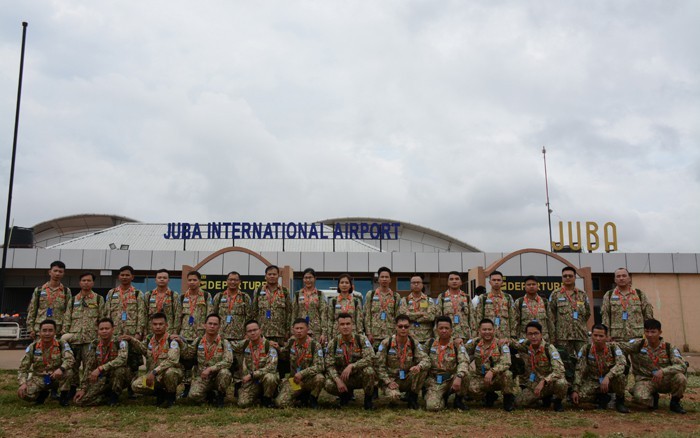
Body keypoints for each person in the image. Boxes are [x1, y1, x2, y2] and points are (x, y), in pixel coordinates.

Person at [620, 319, 688, 414]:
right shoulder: (638, 344)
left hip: (665, 380)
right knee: (639, 398)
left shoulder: (669, 347)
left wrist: (663, 371)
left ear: (660, 332)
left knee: (681, 378)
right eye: (647, 331)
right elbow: (619, 347)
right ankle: (652, 398)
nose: (650, 335)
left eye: (653, 332)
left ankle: (675, 403)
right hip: (646, 380)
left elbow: (682, 366)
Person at [104, 265, 147, 397]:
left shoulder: (138, 294)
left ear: (132, 277)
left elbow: (141, 314)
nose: (124, 277)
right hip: (115, 334)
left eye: (127, 275)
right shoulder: (112, 293)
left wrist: (138, 333)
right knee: (116, 360)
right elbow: (106, 313)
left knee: (134, 362)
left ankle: (132, 389)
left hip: (131, 333)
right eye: (122, 275)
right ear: (118, 276)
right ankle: (113, 386)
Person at [125, 312, 183, 408]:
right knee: (135, 385)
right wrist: (131, 339)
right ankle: (160, 393)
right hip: (154, 377)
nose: (158, 327)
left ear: (166, 325)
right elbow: (142, 349)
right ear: (151, 325)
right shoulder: (149, 340)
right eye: (155, 324)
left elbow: (172, 360)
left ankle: (170, 398)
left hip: (167, 374)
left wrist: (154, 372)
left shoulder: (171, 341)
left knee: (170, 373)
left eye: (161, 324)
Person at [62, 272, 105, 397]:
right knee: (73, 365)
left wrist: (100, 337)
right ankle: (72, 388)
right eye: (84, 280)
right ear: (80, 283)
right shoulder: (73, 300)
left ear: (93, 283)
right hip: (74, 339)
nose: (86, 283)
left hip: (90, 340)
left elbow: (102, 318)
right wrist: (65, 336)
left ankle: (86, 388)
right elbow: (67, 318)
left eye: (89, 280)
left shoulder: (98, 299)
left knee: (89, 366)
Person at [177, 314, 233, 407]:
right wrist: (180, 342)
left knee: (225, 373)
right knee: (193, 396)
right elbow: (188, 354)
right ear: (204, 325)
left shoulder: (224, 342)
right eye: (210, 323)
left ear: (219, 326)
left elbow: (228, 361)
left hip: (217, 377)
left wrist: (210, 369)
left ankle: (220, 396)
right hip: (202, 377)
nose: (212, 326)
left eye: (215, 324)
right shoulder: (198, 341)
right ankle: (209, 396)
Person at [571, 324, 629, 413]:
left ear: (606, 337)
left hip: (611, 381)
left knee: (620, 377)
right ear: (591, 336)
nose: (598, 338)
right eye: (595, 335)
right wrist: (575, 389)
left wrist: (608, 377)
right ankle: (602, 398)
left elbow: (621, 364)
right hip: (594, 380)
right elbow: (579, 369)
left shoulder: (613, 348)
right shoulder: (586, 349)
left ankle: (620, 401)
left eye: (601, 336)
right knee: (579, 397)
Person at [510, 321, 567, 411]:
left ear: (541, 334)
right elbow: (514, 344)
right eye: (530, 334)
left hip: (550, 383)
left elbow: (559, 370)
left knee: (562, 383)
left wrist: (544, 381)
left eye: (536, 333)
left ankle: (557, 401)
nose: (533, 337)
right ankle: (545, 398)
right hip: (536, 384)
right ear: (527, 336)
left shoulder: (549, 348)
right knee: (518, 402)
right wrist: (505, 340)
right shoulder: (527, 345)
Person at [324, 312, 377, 410]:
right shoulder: (334, 343)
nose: (345, 327)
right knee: (328, 384)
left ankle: (368, 400)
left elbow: (371, 358)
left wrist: (352, 366)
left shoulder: (361, 339)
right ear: (338, 327)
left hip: (358, 376)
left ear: (352, 325)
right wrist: (337, 380)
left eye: (348, 324)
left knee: (369, 371)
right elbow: (329, 365)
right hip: (343, 378)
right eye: (342, 324)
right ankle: (344, 395)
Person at [375, 315, 429, 409]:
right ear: (395, 327)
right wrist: (388, 382)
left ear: (409, 327)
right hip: (392, 379)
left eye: (406, 326)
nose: (403, 329)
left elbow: (426, 359)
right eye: (400, 326)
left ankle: (413, 398)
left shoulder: (413, 343)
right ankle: (394, 396)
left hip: (407, 378)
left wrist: (419, 366)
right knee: (394, 397)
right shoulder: (386, 343)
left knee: (422, 370)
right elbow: (378, 365)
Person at [73, 317, 130, 407]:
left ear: (112, 330)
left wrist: (101, 368)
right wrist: (83, 388)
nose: (104, 331)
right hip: (102, 378)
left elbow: (122, 359)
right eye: (101, 329)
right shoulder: (94, 344)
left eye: (107, 329)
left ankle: (114, 397)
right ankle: (105, 397)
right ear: (98, 331)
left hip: (117, 376)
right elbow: (89, 366)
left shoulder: (120, 342)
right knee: (80, 402)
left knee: (120, 370)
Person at [17, 319, 75, 406]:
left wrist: (61, 369)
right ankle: (42, 394)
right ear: (39, 332)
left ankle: (64, 397)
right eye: (44, 331)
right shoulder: (33, 347)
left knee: (68, 372)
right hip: (40, 378)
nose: (47, 333)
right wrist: (23, 383)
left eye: (50, 330)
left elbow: (70, 359)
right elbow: (23, 368)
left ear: (55, 332)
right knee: (23, 393)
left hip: (57, 376)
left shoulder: (61, 344)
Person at [548, 266, 590, 384]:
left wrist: (579, 325)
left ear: (575, 277)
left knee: (584, 361)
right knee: (565, 362)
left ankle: (582, 386)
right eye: (565, 276)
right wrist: (553, 336)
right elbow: (551, 317)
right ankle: (568, 387)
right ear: (562, 278)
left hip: (580, 335)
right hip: (563, 336)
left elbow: (587, 313)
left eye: (570, 276)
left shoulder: (582, 295)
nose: (567, 278)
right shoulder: (555, 295)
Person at [464, 318, 515, 411]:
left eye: (489, 329)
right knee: (469, 387)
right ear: (479, 330)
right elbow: (462, 350)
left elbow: (506, 362)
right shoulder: (475, 343)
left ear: (494, 330)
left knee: (507, 374)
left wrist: (492, 371)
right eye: (484, 330)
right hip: (481, 377)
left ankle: (508, 399)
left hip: (497, 377)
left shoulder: (501, 344)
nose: (487, 332)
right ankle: (489, 396)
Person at [177, 270, 213, 398]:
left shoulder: (207, 296)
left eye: (195, 280)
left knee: (201, 363)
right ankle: (186, 388)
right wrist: (176, 334)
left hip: (200, 336)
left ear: (200, 282)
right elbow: (178, 318)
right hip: (185, 335)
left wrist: (208, 333)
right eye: (190, 280)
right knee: (186, 364)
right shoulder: (182, 298)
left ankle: (203, 388)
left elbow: (210, 316)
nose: (192, 282)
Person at [275, 318, 325, 409]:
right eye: (296, 328)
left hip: (309, 379)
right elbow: (284, 355)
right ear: (293, 330)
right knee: (281, 403)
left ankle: (312, 398)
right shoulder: (291, 342)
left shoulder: (315, 345)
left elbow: (320, 366)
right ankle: (300, 398)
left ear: (307, 329)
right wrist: (278, 348)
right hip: (295, 380)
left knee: (320, 378)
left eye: (301, 328)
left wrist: (302, 373)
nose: (299, 331)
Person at [252, 265, 291, 377]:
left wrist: (288, 331)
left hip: (280, 333)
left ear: (278, 276)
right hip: (263, 333)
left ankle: (280, 384)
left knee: (281, 362)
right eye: (269, 274)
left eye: (274, 274)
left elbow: (289, 312)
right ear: (265, 276)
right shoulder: (258, 291)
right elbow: (254, 312)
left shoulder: (284, 291)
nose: (272, 276)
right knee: (263, 360)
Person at [423, 316, 470, 411]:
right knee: (432, 407)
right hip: (435, 380)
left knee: (465, 375)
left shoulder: (457, 344)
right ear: (436, 330)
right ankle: (442, 396)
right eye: (441, 328)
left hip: (451, 379)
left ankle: (458, 400)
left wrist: (459, 376)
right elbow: (421, 358)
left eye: (446, 328)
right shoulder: (430, 343)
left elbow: (464, 361)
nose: (444, 331)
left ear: (451, 330)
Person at [232, 319, 280, 408]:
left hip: (263, 377)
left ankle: (267, 399)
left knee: (270, 377)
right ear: (246, 334)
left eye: (255, 330)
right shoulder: (245, 344)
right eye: (249, 331)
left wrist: (251, 375)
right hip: (252, 381)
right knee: (243, 403)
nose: (253, 333)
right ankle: (257, 394)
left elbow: (271, 367)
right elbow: (230, 346)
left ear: (260, 330)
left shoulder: (268, 345)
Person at [601, 268, 654, 342]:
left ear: (629, 278)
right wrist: (607, 335)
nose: (621, 278)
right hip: (617, 338)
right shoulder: (609, 295)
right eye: (618, 276)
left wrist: (649, 334)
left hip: (638, 337)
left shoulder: (639, 294)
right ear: (615, 279)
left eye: (624, 276)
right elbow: (605, 317)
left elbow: (648, 316)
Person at [26, 261, 72, 339]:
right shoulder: (39, 290)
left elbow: (69, 312)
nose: (57, 274)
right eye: (55, 271)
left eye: (60, 271)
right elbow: (32, 310)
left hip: (58, 331)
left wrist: (65, 330)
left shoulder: (66, 291)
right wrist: (30, 329)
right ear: (50, 272)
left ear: (63, 274)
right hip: (40, 329)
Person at [364, 267, 401, 351]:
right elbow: (367, 315)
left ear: (390, 279)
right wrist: (368, 333)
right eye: (382, 277)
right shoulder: (371, 294)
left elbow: (398, 317)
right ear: (378, 279)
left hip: (390, 335)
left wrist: (396, 334)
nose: (384, 279)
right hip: (374, 336)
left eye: (386, 277)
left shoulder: (396, 296)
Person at [291, 268, 328, 346]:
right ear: (303, 279)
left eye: (310, 277)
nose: (308, 280)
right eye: (306, 278)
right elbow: (294, 313)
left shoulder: (320, 294)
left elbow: (323, 314)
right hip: (300, 330)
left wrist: (323, 333)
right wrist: (292, 332)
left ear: (315, 279)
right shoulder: (298, 294)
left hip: (316, 331)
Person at [434, 271, 473, 346]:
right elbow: (437, 318)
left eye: (457, 279)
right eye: (451, 279)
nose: (454, 281)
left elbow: (472, 318)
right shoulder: (442, 297)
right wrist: (438, 337)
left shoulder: (466, 297)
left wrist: (473, 337)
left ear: (461, 282)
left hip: (464, 336)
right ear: (448, 282)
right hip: (447, 336)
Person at [474, 271, 514, 341]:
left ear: (502, 282)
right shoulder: (483, 298)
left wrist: (513, 335)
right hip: (487, 335)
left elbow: (512, 318)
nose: (496, 282)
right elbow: (478, 318)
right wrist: (478, 335)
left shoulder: (508, 297)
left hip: (504, 336)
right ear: (490, 282)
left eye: (498, 280)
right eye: (494, 280)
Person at [512, 276, 554, 342]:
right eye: (529, 284)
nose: (531, 286)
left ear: (537, 286)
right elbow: (515, 322)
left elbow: (550, 321)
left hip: (543, 339)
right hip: (525, 339)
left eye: (533, 284)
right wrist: (514, 339)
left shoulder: (545, 302)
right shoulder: (519, 302)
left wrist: (552, 339)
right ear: (525, 286)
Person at [398, 274, 436, 345]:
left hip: (426, 338)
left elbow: (431, 316)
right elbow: (403, 317)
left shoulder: (428, 300)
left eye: (418, 282)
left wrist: (412, 317)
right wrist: (421, 314)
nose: (416, 284)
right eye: (413, 283)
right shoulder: (404, 300)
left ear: (422, 285)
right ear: (410, 285)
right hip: (409, 337)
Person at [326, 274, 364, 339]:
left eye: (347, 283)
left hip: (352, 334)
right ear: (338, 285)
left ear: (350, 286)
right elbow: (330, 321)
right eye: (342, 282)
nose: (344, 285)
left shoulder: (356, 301)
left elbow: (359, 321)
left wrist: (360, 336)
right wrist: (329, 337)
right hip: (337, 334)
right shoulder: (333, 301)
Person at [144, 269, 181, 335]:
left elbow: (177, 315)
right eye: (159, 277)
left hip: (168, 331)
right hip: (151, 331)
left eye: (164, 278)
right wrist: (144, 331)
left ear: (168, 280)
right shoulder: (148, 295)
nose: (162, 279)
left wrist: (175, 332)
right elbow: (144, 314)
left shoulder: (174, 295)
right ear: (155, 280)